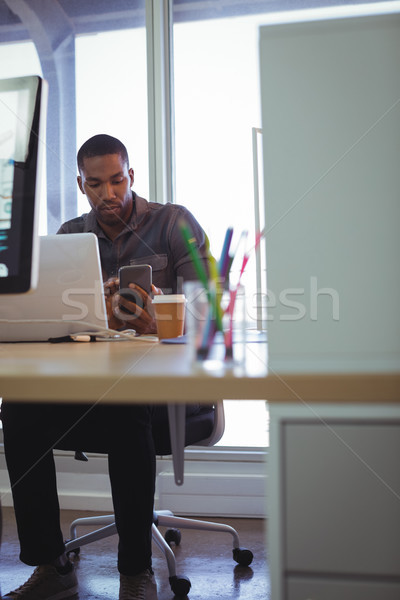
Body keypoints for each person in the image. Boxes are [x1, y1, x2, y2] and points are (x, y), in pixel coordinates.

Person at [1, 134, 210, 600]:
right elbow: (51, 326)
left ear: (131, 175)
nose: (108, 193)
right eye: (96, 184)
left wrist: (162, 319)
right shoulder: (69, 238)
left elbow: (209, 312)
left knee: (128, 403)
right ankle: (52, 565)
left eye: (117, 180)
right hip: (92, 389)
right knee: (17, 408)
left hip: (163, 393)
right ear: (82, 184)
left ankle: (136, 570)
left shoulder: (174, 224)